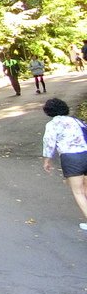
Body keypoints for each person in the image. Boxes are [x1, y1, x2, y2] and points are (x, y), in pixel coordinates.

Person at [40, 97, 87, 232]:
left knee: (78, 192)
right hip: (86, 152)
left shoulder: (52, 125)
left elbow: (49, 143)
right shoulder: (77, 121)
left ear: (48, 111)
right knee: (85, 189)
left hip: (71, 158)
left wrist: (47, 160)